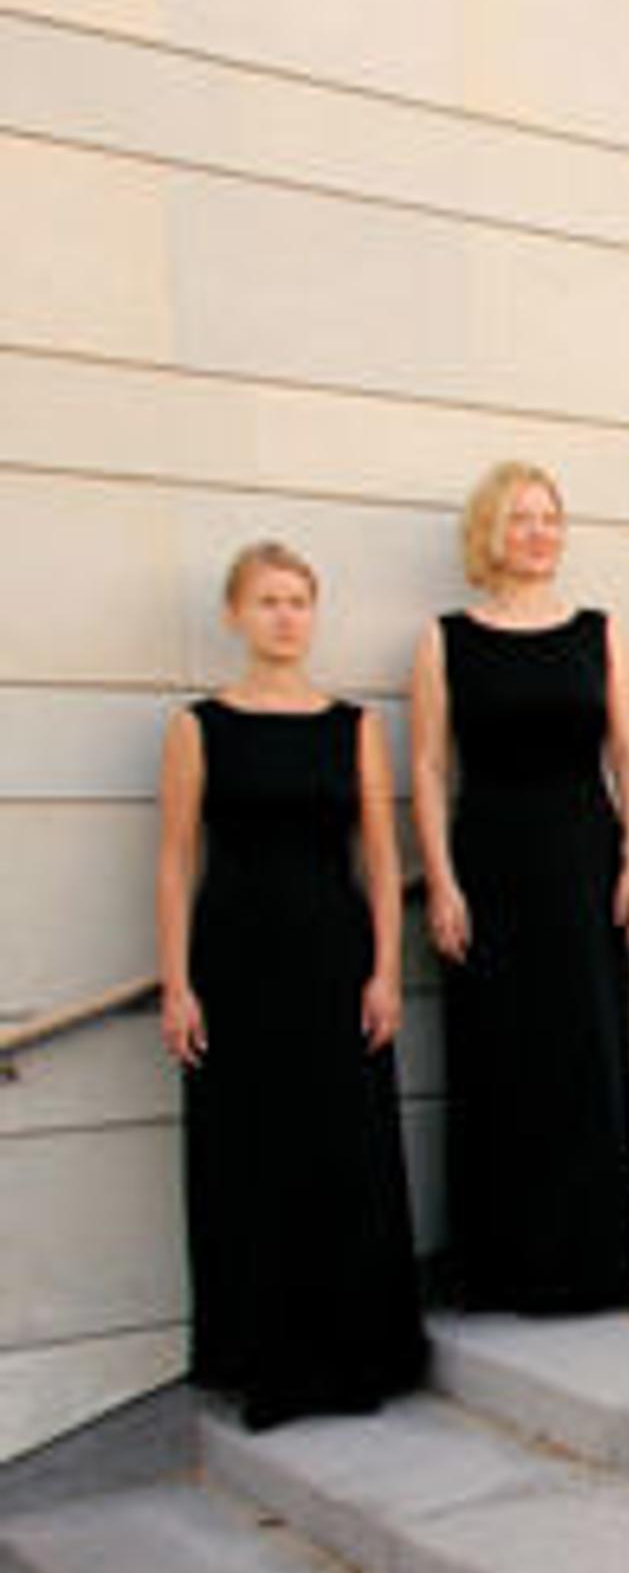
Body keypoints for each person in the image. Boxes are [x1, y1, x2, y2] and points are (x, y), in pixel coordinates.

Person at [160, 542, 426, 1426]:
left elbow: (384, 862)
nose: (286, 617)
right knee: (252, 1162)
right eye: (268, 601)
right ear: (236, 615)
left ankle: (358, 1358)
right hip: (234, 967)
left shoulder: (350, 726)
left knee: (342, 1158)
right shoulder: (199, 727)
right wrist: (176, 983)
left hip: (335, 963)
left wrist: (387, 970)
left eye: (300, 601)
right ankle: (265, 1362)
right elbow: (173, 861)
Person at [408, 462, 629, 1315]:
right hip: (491, 867)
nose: (539, 532)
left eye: (551, 517)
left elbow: (628, 755)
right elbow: (431, 768)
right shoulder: (447, 640)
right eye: (521, 519)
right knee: (500, 1056)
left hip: (586, 857)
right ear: (488, 534)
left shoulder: (597, 632)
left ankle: (590, 1261)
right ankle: (504, 1264)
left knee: (588, 1052)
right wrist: (440, 882)